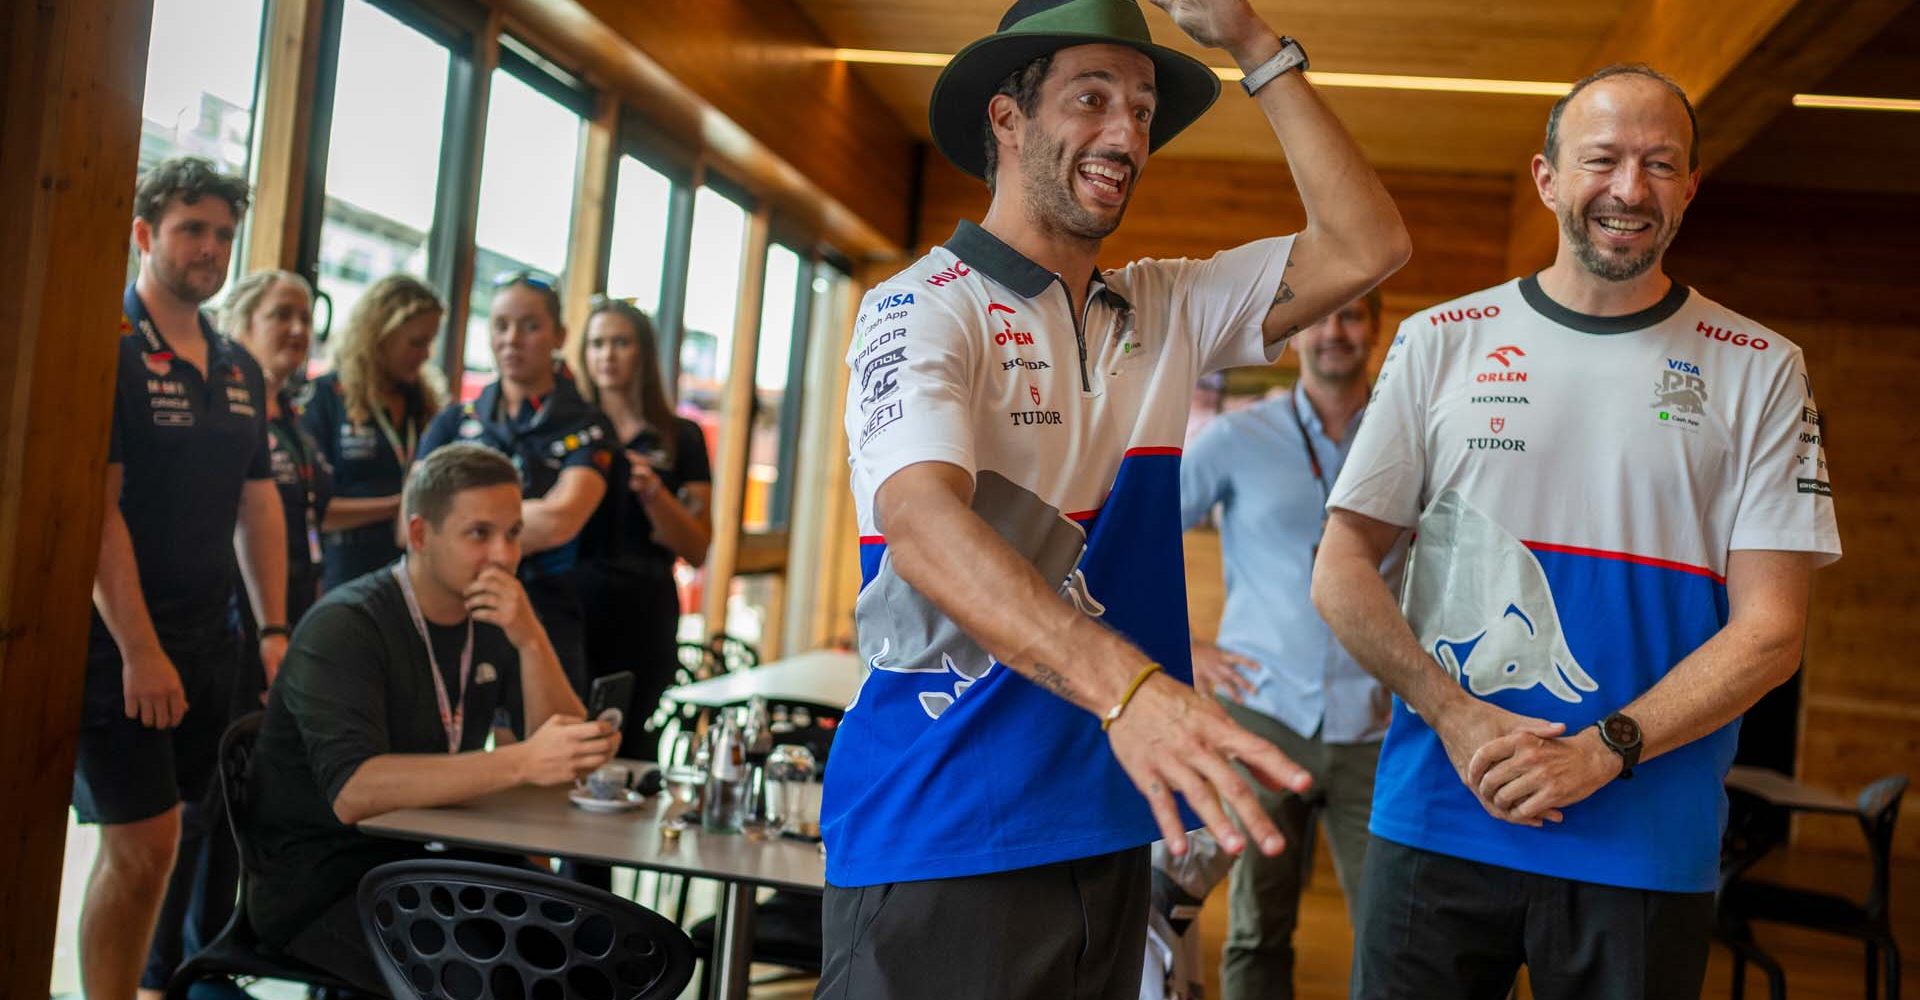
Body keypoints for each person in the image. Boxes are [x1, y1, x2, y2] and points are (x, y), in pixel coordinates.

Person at [815, 0, 1409, 994]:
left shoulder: (1162, 308)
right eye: (1091, 99)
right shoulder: (921, 306)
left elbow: (1366, 244)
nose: (1127, 135)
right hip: (943, 823)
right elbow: (920, 521)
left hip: (1111, 823)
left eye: (1141, 109)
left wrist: (1254, 44)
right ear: (1007, 120)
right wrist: (1132, 688)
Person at [1312, 64, 1841, 999]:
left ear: (1689, 187)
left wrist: (1605, 749)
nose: (1630, 190)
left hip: (1646, 843)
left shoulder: (1764, 369)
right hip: (1439, 815)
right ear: (1548, 178)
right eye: (1602, 159)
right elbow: (1342, 568)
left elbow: (1773, 630)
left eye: (1660, 164)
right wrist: (1456, 713)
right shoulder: (1443, 339)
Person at [243, 443, 619, 990]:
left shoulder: (494, 614)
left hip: (433, 863)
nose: (503, 555)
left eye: (514, 533)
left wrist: (531, 638)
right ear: (420, 535)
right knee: (503, 979)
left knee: (595, 952)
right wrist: (520, 762)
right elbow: (355, 790)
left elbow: (564, 760)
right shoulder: (346, 625)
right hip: (327, 883)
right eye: (479, 534)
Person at [78, 156, 288, 1000]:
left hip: (215, 641)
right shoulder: (112, 350)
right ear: (143, 235)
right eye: (191, 229)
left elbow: (259, 505)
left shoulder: (240, 367)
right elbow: (99, 510)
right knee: (144, 846)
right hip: (120, 645)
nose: (209, 248)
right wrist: (139, 648)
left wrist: (274, 631)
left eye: (223, 235)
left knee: (171, 842)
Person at [1178, 291, 1402, 1000]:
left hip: (1380, 724)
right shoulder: (1238, 437)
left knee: (1394, 933)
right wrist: (1184, 649)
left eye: (1351, 316)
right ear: (1294, 333)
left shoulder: (1410, 434)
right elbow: (1140, 530)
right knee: (1254, 929)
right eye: (1319, 317)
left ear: (1374, 328)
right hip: (1263, 714)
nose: (1334, 331)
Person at [139, 270, 333, 995]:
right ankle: (163, 972)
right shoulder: (226, 414)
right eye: (279, 314)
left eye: (305, 318)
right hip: (229, 625)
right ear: (240, 322)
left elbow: (309, 521)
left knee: (237, 804)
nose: (295, 329)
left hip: (286, 626)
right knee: (195, 811)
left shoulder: (294, 420)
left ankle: (210, 956)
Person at [418, 273, 614, 693]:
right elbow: (411, 522)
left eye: (530, 326)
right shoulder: (456, 419)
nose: (512, 339)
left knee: (544, 747)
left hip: (546, 611)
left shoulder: (588, 425)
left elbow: (560, 521)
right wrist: (525, 519)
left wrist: (460, 525)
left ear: (558, 335)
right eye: (500, 324)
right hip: (456, 609)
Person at [569, 297, 712, 760]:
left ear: (643, 352)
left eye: (620, 342)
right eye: (596, 344)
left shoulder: (681, 437)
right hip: (572, 603)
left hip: (644, 610)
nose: (606, 355)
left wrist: (654, 493)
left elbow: (697, 547)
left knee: (632, 746)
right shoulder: (568, 430)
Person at [301, 273, 446, 591]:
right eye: (417, 342)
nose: (425, 354)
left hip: (413, 573)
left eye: (430, 342)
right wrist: (400, 504)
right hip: (345, 574)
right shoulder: (325, 398)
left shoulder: (424, 403)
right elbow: (315, 511)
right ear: (380, 335)